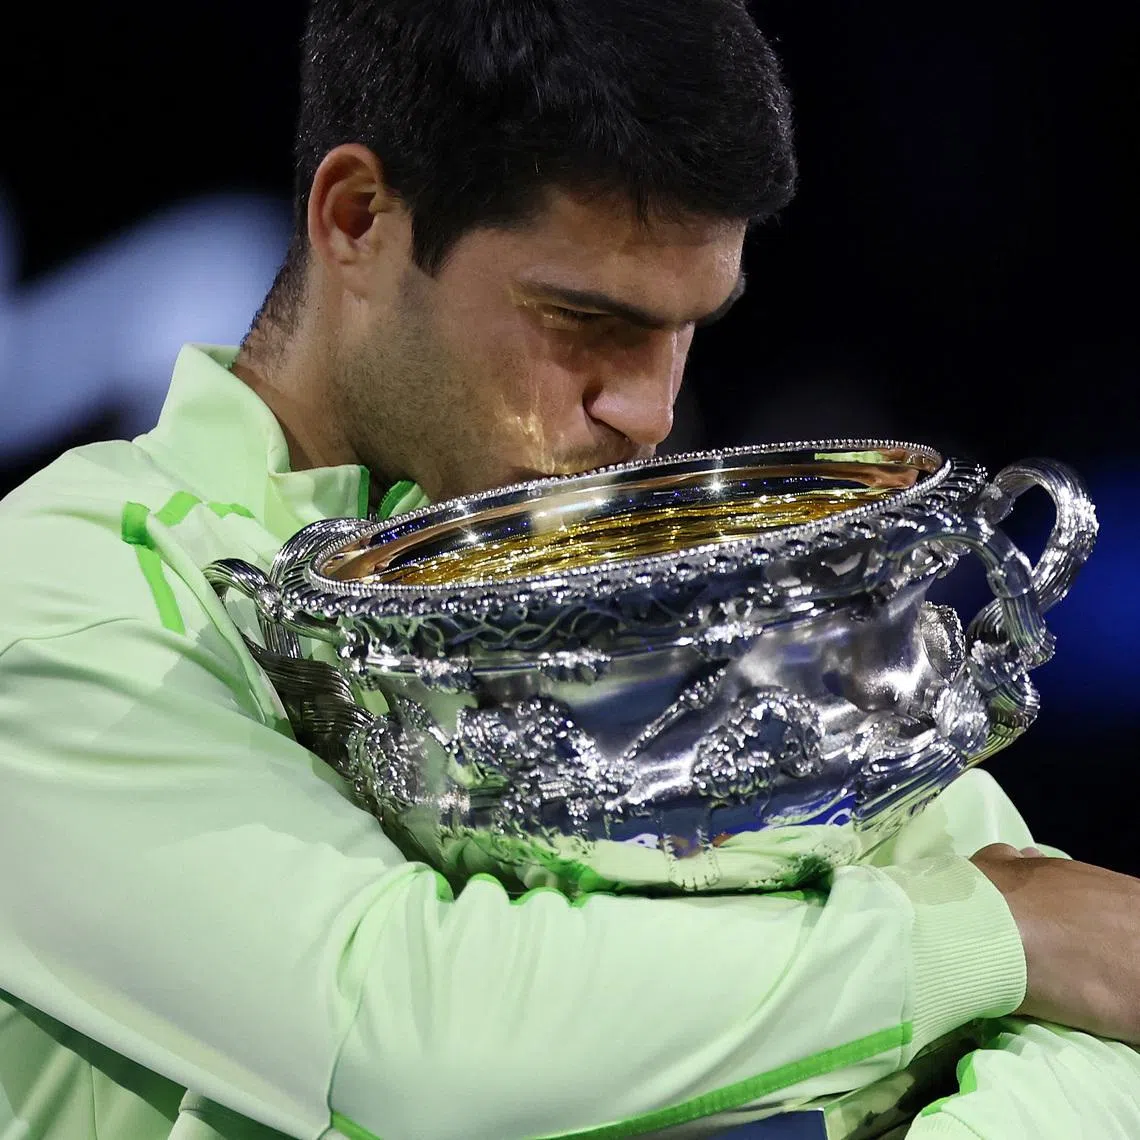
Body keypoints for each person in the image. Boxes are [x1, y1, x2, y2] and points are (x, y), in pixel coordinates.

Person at [1, 3, 1139, 1138]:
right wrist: (992, 942)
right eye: (580, 319)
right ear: (358, 220)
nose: (649, 411)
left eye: (686, 328)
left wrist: (1011, 964)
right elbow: (414, 1044)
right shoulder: (60, 596)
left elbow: (1107, 997)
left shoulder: (686, 586)